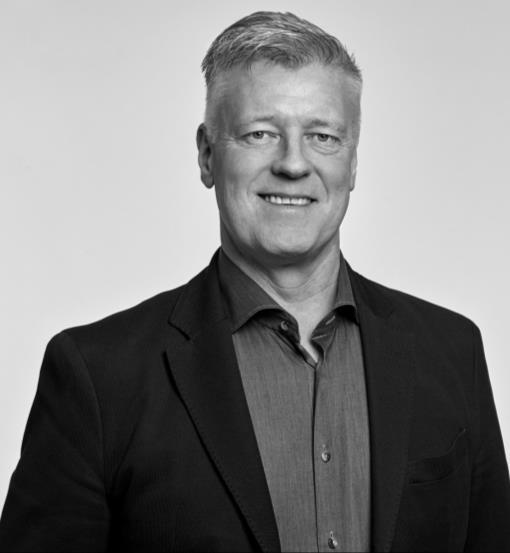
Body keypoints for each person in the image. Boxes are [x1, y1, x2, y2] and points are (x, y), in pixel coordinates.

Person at [0, 10, 509, 553]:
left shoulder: (452, 352)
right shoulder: (98, 378)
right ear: (206, 155)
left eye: (322, 136)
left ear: (353, 162)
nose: (293, 163)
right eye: (260, 133)